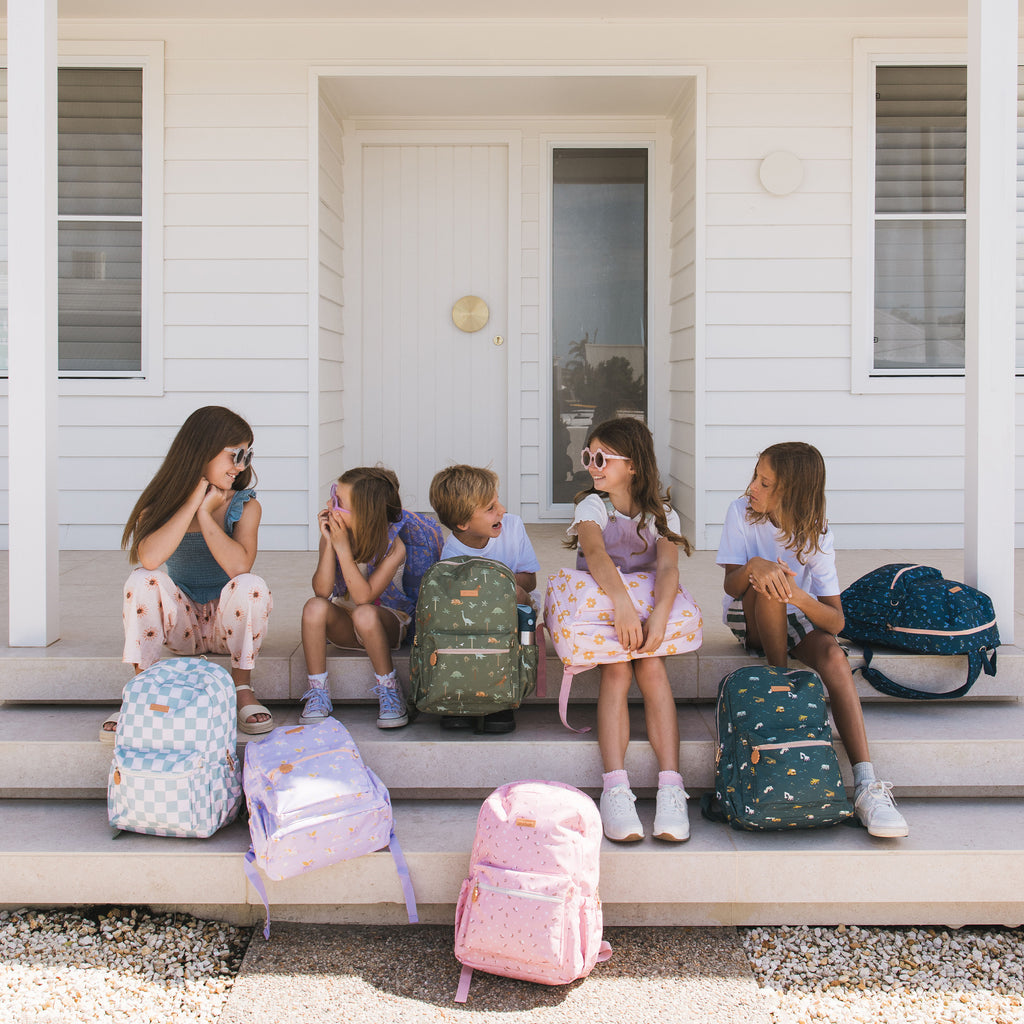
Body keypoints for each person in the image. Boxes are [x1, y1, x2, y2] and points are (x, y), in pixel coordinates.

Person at [716, 441, 909, 839]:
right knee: (770, 587)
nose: (753, 486)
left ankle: (867, 784)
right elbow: (731, 584)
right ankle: (781, 688)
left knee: (835, 657)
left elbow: (835, 620)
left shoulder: (817, 535)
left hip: (796, 616)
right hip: (749, 614)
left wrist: (798, 596)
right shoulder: (741, 514)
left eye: (765, 482)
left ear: (792, 492)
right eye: (755, 475)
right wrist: (756, 566)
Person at [102, 406, 274, 742]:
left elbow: (240, 567)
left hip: (228, 626)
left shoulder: (245, 504)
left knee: (251, 585)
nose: (241, 465)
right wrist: (194, 498)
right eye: (234, 454)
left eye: (247, 455)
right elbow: (149, 557)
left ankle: (242, 688)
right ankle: (142, 688)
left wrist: (208, 515)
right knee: (142, 578)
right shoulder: (161, 504)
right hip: (184, 628)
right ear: (202, 451)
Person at [564, 417, 693, 843]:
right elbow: (596, 554)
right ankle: (615, 788)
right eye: (588, 456)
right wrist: (621, 604)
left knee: (652, 668)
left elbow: (669, 566)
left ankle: (671, 787)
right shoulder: (592, 507)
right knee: (618, 671)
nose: (591, 465)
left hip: (644, 603)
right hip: (608, 605)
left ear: (633, 465)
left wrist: (659, 614)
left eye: (601, 458)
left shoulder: (662, 513)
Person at [301, 466, 441, 729]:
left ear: (365, 514)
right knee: (313, 607)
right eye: (333, 495)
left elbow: (364, 597)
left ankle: (389, 689)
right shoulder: (334, 536)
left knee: (364, 613)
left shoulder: (394, 547)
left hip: (385, 623)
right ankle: (318, 692)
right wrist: (331, 543)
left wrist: (342, 548)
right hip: (346, 623)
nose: (330, 505)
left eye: (339, 502)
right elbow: (322, 590)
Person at [429, 464, 540, 734]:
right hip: (473, 623)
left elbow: (529, 580)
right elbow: (456, 604)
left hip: (513, 612)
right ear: (463, 524)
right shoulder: (452, 554)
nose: (501, 509)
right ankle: (460, 695)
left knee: (514, 598)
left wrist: (497, 584)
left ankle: (500, 698)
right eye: (490, 508)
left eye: (497, 501)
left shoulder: (512, 527)